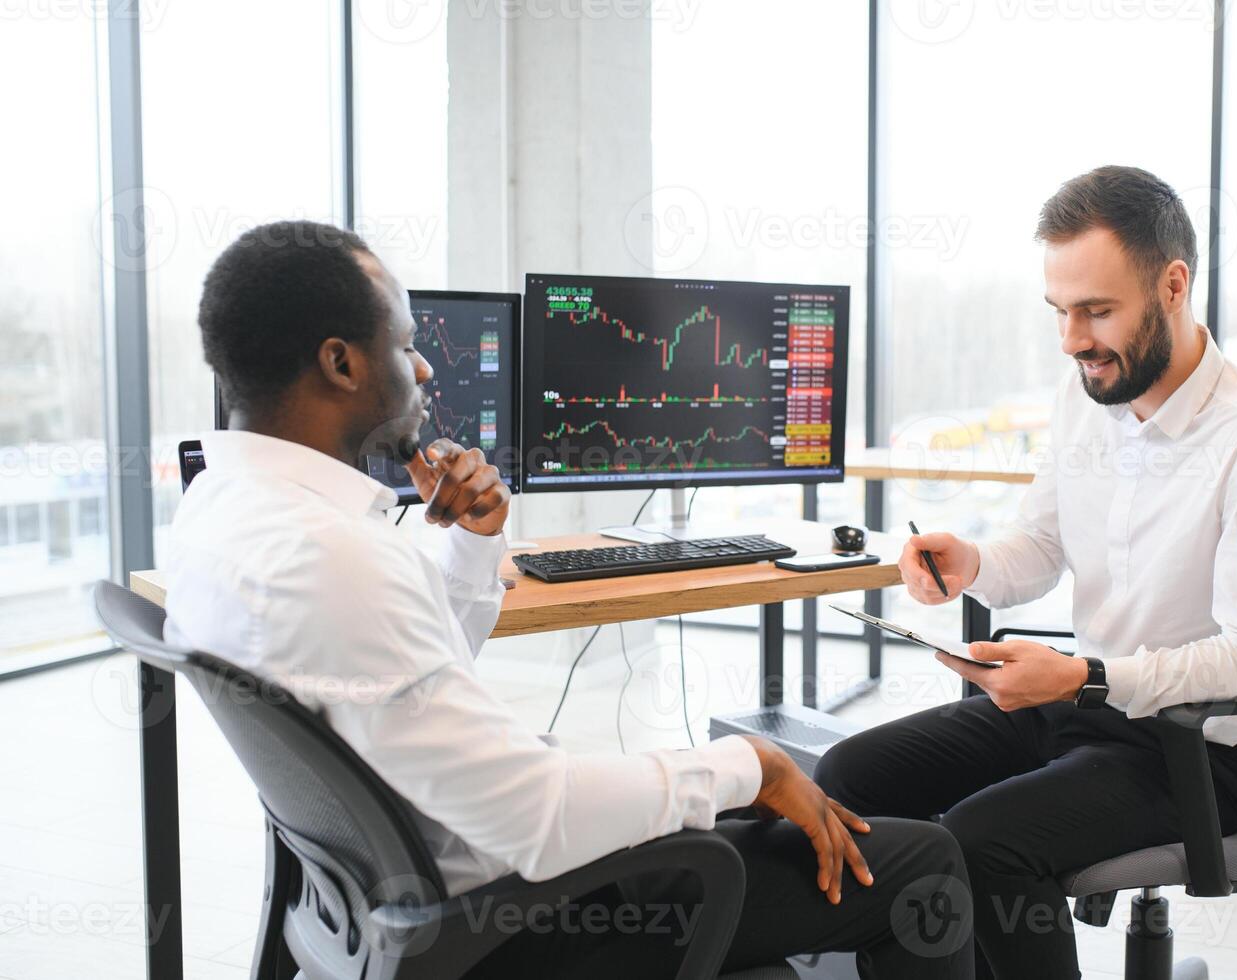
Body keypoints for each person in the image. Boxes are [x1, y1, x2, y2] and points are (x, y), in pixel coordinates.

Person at [163, 220, 973, 978]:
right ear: (341, 364)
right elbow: (540, 821)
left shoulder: (221, 515)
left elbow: (401, 678)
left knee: (753, 813)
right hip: (524, 919)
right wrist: (746, 763)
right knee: (921, 863)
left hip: (411, 900)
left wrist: (476, 540)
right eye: (405, 346)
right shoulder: (334, 554)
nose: (423, 369)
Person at [814, 165, 1237, 980]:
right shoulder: (1084, 394)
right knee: (848, 777)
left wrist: (1083, 678)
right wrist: (971, 561)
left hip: (1184, 751)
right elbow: (1041, 549)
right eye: (1060, 312)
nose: (1071, 340)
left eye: (1095, 311)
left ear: (1171, 284)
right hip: (1076, 710)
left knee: (983, 842)